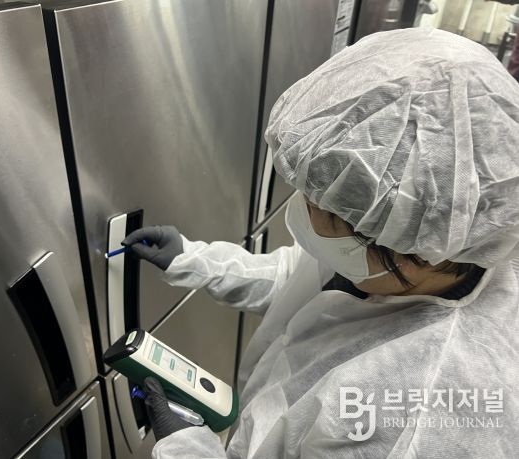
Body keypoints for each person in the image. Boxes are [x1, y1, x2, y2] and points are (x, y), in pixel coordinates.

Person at [123, 28, 519, 458]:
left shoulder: (414, 423)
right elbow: (301, 282)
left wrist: (187, 451)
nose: (303, 205)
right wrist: (197, 261)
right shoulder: (417, 245)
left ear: (408, 248)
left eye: (318, 203)